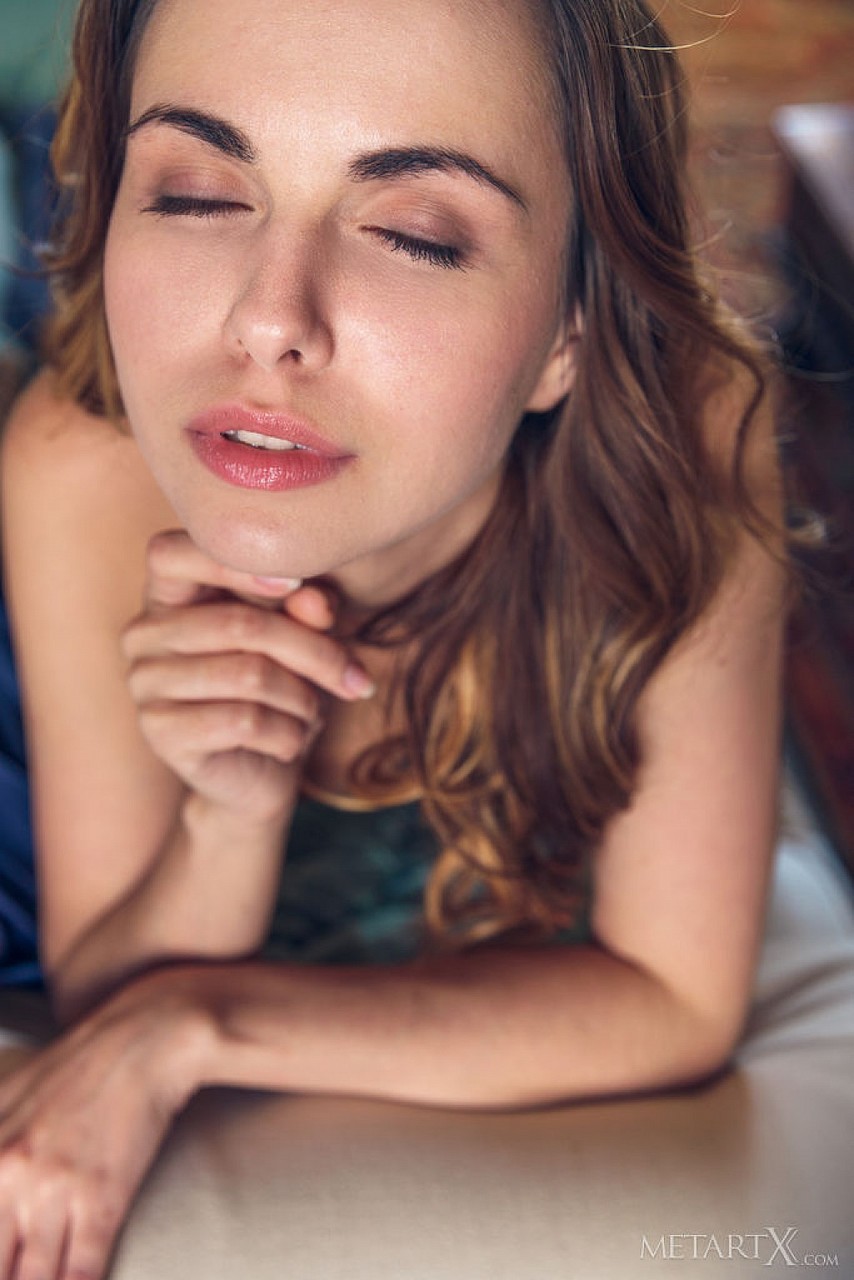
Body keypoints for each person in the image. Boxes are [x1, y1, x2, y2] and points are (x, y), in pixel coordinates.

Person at [0, 0, 789, 1274]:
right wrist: (228, 813)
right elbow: (99, 979)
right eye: (197, 194)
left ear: (568, 334)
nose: (268, 319)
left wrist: (191, 1026)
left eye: (414, 233)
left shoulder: (691, 450)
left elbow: (673, 997)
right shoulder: (78, 463)